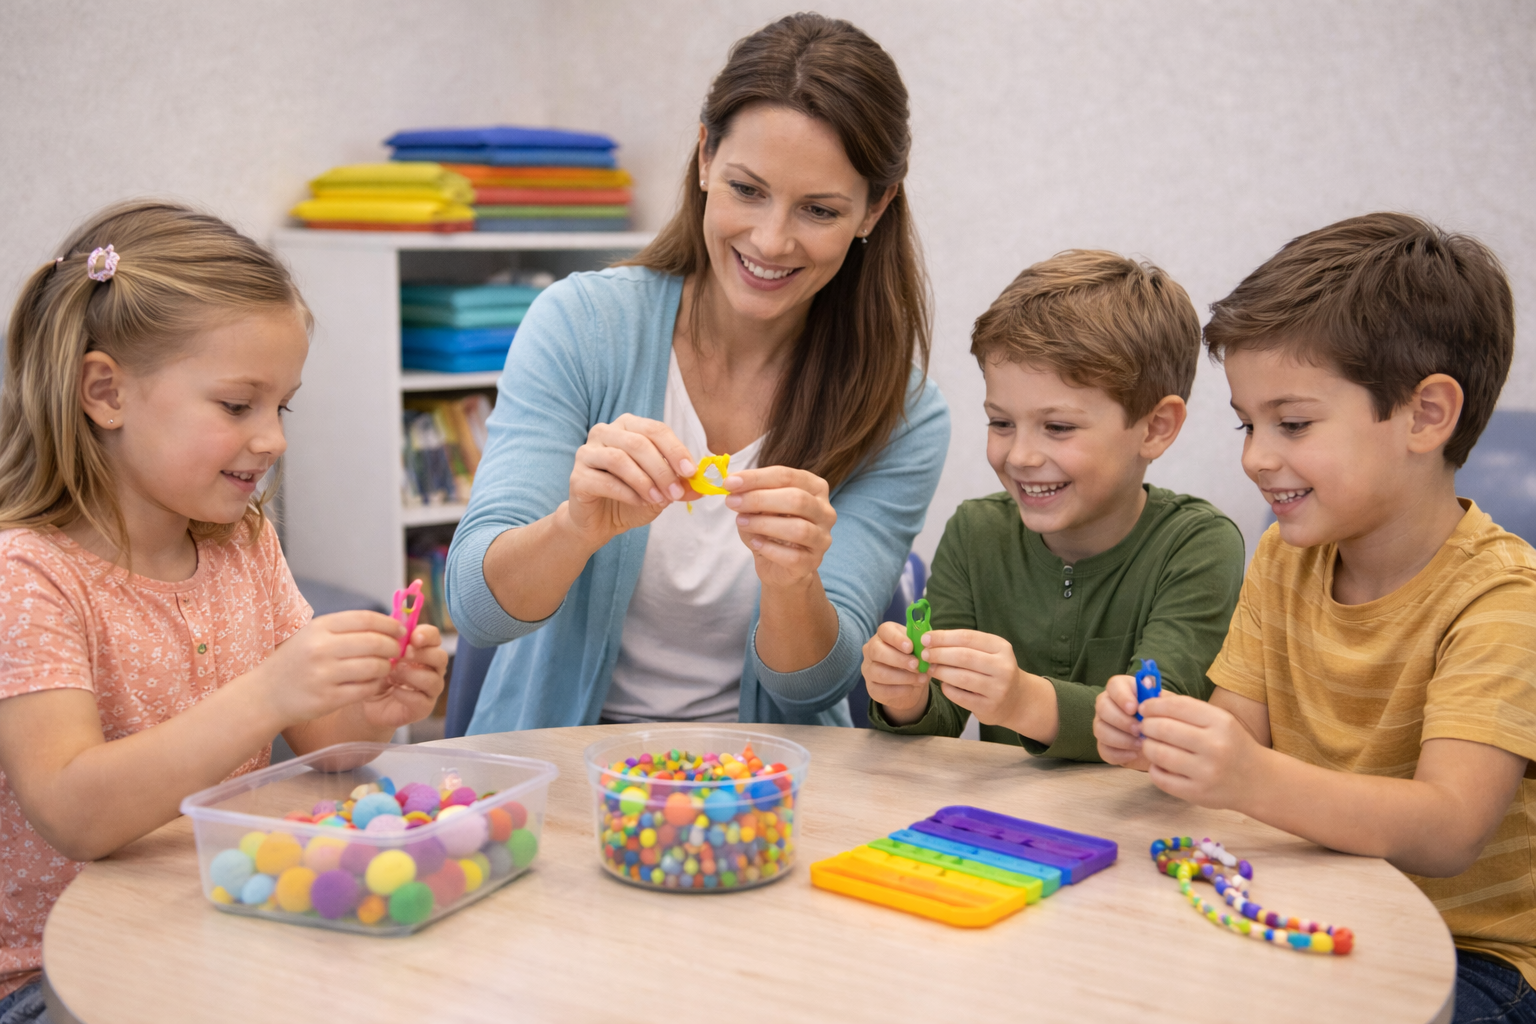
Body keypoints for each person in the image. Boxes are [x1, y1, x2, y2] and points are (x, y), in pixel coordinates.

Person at [0, 202, 447, 1017]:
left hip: (230, 922)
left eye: (283, 406)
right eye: (238, 406)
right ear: (105, 392)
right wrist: (268, 695)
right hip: (54, 976)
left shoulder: (243, 542)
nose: (273, 438)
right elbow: (72, 812)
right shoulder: (28, 574)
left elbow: (329, 748)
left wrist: (373, 707)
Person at [446, 13, 949, 732]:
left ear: (876, 208)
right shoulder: (580, 326)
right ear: (706, 157)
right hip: (561, 767)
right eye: (748, 189)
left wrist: (794, 582)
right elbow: (474, 607)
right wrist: (575, 527)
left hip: (771, 784)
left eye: (819, 209)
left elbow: (815, 689)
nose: (771, 240)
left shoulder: (902, 414)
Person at [1093, 213, 1536, 1021]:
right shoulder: (1285, 557)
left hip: (1474, 957)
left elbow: (1449, 829)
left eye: (1292, 423)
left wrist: (1249, 777)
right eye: (1247, 423)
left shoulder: (1502, 599)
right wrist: (1163, 736)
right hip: (1311, 895)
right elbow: (1238, 735)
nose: (1256, 456)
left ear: (1425, 415)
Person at [861, 250, 1244, 759]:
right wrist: (903, 697)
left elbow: (1157, 723)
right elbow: (938, 719)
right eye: (1001, 422)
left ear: (1155, 428)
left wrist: (1022, 699)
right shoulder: (976, 532)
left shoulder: (1199, 546)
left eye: (1058, 427)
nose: (1019, 455)